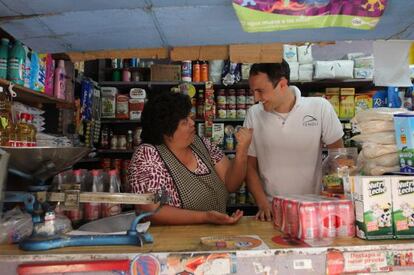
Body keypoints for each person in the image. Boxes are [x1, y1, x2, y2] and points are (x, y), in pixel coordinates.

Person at [128, 91, 252, 225]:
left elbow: (231, 183)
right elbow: (153, 210)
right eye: (184, 121)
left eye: (189, 117)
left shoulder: (202, 144)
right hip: (170, 242)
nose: (192, 122)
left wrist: (241, 153)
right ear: (167, 131)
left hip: (215, 238)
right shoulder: (148, 155)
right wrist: (205, 217)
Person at [244, 60, 344, 222]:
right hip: (273, 211)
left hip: (314, 209)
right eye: (253, 91)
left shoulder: (320, 107)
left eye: (261, 91)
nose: (256, 98)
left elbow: (339, 158)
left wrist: (334, 201)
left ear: (282, 84)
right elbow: (249, 167)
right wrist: (263, 205)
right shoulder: (253, 114)